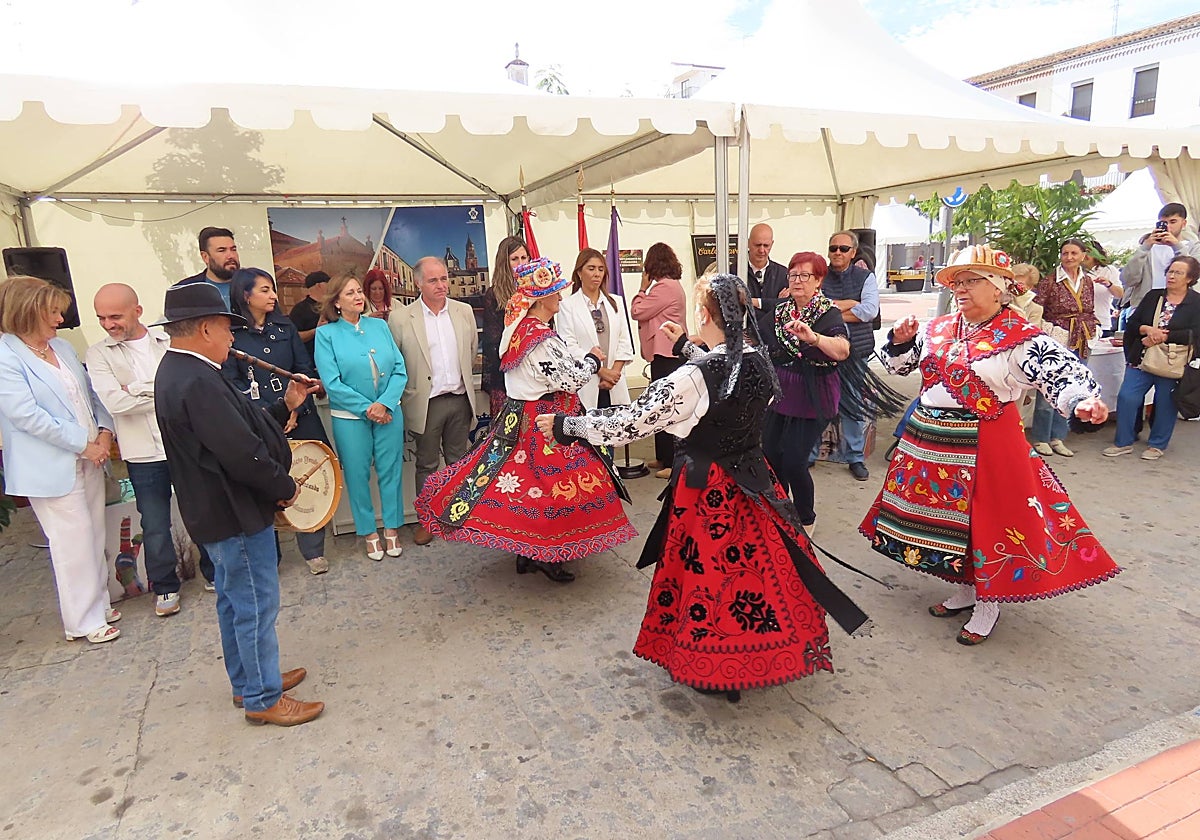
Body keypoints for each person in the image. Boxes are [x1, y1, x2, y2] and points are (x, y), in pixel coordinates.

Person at [535, 273, 869, 703]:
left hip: (709, 488)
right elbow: (728, 373)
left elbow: (631, 422)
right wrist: (686, 348)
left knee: (707, 577)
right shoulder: (760, 359)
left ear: (705, 315)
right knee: (753, 574)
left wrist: (568, 425)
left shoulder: (695, 376)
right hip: (753, 480)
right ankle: (754, 657)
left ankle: (716, 666)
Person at [862, 246, 1119, 646]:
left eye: (972, 281)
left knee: (986, 524)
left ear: (999, 288)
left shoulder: (1022, 338)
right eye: (958, 282)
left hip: (986, 444)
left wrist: (1080, 399)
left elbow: (1060, 371)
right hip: (931, 441)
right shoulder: (938, 328)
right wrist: (898, 340)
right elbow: (896, 366)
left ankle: (989, 602)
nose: (961, 289)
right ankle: (965, 590)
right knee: (949, 525)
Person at [154, 283, 324, 726]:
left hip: (215, 509)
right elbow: (239, 452)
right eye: (229, 329)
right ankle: (263, 698)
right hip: (232, 510)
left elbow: (238, 428)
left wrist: (282, 406)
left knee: (234, 601)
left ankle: (248, 681)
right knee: (253, 602)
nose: (233, 338)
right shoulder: (195, 378)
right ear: (207, 328)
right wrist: (282, 487)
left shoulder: (184, 371)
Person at [416, 257, 636, 583]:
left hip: (518, 417)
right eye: (556, 293)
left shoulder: (518, 330)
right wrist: (592, 359)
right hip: (545, 422)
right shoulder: (541, 339)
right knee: (554, 491)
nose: (561, 298)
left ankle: (527, 554)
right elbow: (571, 379)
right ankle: (549, 555)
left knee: (524, 487)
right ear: (541, 299)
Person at [0, 275, 119, 644]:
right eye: (52, 312)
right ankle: (82, 621)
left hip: (91, 457)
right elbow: (25, 415)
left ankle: (99, 602)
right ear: (28, 311)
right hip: (51, 465)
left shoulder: (64, 348)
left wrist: (103, 430)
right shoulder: (6, 355)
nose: (59, 319)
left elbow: (90, 393)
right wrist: (83, 444)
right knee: (72, 541)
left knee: (95, 532)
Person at [86, 283, 184, 615]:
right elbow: (114, 402)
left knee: (202, 510)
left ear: (137, 311)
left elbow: (185, 385)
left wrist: (138, 389)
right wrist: (161, 391)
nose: (108, 324)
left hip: (183, 442)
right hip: (142, 453)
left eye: (115, 316)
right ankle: (166, 587)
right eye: (101, 318)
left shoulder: (167, 340)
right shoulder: (98, 354)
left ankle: (215, 572)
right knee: (154, 523)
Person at [227, 267, 332, 575]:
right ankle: (269, 556)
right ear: (245, 295)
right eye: (264, 290)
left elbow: (304, 369)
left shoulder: (285, 326)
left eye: (273, 289)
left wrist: (296, 409)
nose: (273, 295)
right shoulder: (233, 334)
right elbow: (231, 382)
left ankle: (313, 549)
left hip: (302, 416)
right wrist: (268, 416)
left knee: (307, 477)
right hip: (259, 421)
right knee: (264, 483)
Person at [314, 272, 408, 561]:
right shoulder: (326, 335)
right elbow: (332, 383)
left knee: (391, 470)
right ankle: (368, 532)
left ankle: (392, 529)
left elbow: (399, 369)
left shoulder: (379, 326)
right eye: (350, 293)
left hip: (389, 412)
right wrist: (369, 408)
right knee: (356, 475)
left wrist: (385, 404)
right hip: (350, 418)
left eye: (359, 291)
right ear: (337, 302)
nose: (359, 297)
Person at [389, 257, 478, 547]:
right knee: (427, 464)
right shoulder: (402, 318)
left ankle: (459, 517)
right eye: (433, 280)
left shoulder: (464, 312)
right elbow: (396, 361)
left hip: (460, 399)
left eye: (444, 278)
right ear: (418, 283)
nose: (441, 285)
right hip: (426, 402)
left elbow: (471, 350)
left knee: (459, 462)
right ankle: (428, 520)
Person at [763, 252, 851, 536]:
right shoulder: (782, 311)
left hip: (815, 394)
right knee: (770, 454)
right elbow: (756, 334)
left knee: (794, 460)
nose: (797, 281)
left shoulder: (828, 313)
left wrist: (814, 338)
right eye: (793, 275)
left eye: (804, 276)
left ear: (819, 281)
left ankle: (805, 518)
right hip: (782, 390)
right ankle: (780, 509)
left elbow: (842, 350)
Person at [1104, 256, 1200, 461]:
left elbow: (1195, 333)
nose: (1172, 276)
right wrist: (1147, 329)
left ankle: (1157, 444)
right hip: (1142, 357)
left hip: (1173, 361)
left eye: (1178, 273)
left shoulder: (1196, 303)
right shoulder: (1154, 296)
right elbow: (1132, 323)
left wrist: (1164, 336)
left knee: (1166, 402)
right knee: (1127, 397)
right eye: (1170, 271)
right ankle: (1123, 441)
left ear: (1190, 278)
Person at [817, 230, 883, 481]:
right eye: (833, 248)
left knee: (852, 404)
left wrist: (831, 309)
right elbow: (815, 308)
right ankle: (812, 453)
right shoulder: (819, 275)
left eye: (843, 249)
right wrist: (850, 303)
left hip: (856, 350)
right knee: (819, 401)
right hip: (824, 348)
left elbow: (869, 311)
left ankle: (855, 457)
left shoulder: (866, 277)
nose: (837, 253)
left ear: (853, 252)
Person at [1031, 238, 1098, 458]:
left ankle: (1058, 436)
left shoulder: (1088, 281)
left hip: (1081, 338)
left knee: (1074, 388)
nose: (1069, 257)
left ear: (1083, 255)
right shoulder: (1050, 281)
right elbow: (1037, 310)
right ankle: (1041, 437)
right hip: (1057, 338)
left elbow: (1090, 308)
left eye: (1073, 253)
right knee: (1049, 387)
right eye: (1065, 253)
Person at [631, 243, 687, 479]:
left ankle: (673, 462)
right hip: (665, 354)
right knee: (660, 405)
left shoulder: (664, 288)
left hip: (667, 355)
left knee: (666, 408)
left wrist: (642, 289)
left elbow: (637, 311)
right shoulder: (672, 286)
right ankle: (663, 456)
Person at [556, 248, 636, 410]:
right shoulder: (567, 306)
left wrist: (613, 374)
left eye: (600, 269)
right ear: (579, 273)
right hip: (587, 384)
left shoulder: (616, 302)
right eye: (591, 269)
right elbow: (569, 347)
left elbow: (624, 341)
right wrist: (601, 370)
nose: (597, 274)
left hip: (614, 382)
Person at [1119, 202, 1200, 330]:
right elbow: (1128, 279)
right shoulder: (1147, 248)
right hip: (1147, 307)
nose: (1168, 226)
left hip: (1182, 308)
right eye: (1163, 223)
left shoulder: (1192, 247)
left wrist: (1177, 245)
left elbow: (1194, 275)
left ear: (1183, 223)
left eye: (1173, 222)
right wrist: (1145, 247)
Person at [481, 236, 530, 419]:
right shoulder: (494, 294)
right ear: (505, 262)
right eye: (514, 259)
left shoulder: (539, 291)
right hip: (505, 377)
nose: (520, 263)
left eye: (524, 258)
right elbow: (493, 341)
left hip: (535, 376)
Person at [1008, 264, 1045, 429]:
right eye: (1013, 282)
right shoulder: (995, 301)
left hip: (1018, 365)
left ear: (1030, 287)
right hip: (994, 362)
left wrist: (1018, 313)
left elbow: (1031, 335)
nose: (1015, 287)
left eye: (1021, 284)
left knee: (1014, 411)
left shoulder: (1035, 309)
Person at [176, 226, 240, 310]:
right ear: (205, 257)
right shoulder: (185, 291)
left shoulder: (254, 285)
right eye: (222, 250)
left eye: (233, 249)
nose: (231, 256)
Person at [745, 223, 788, 341]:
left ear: (772, 244)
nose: (762, 250)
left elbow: (787, 307)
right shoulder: (734, 272)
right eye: (757, 245)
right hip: (745, 339)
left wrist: (753, 302)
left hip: (774, 341)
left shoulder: (783, 273)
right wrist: (774, 304)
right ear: (748, 243)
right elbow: (735, 307)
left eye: (766, 245)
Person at [1084, 242, 1123, 339]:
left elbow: (1120, 294)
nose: (1084, 255)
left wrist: (1109, 284)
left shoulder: (1108, 270)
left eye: (1088, 252)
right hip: (1076, 325)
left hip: (1102, 323)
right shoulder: (1074, 271)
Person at [288, 271, 329, 362]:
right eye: (328, 283)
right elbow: (294, 337)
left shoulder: (332, 306)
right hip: (311, 361)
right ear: (319, 285)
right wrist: (316, 330)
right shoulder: (300, 309)